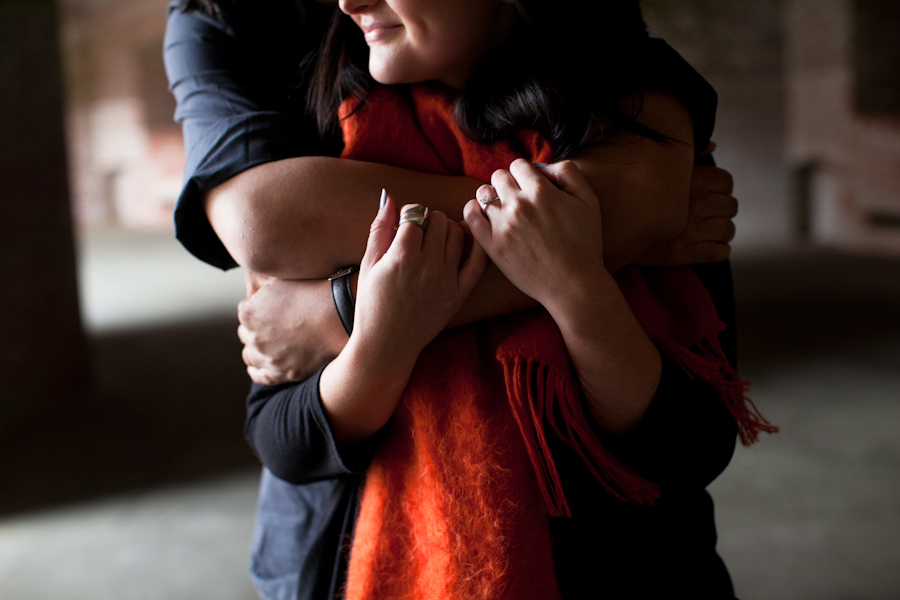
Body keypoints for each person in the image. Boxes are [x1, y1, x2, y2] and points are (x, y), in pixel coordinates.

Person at [164, 0, 767, 598]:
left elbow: (691, 445)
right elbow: (282, 439)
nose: (346, 3)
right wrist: (380, 333)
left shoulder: (624, 113)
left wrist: (573, 286)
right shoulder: (335, 133)